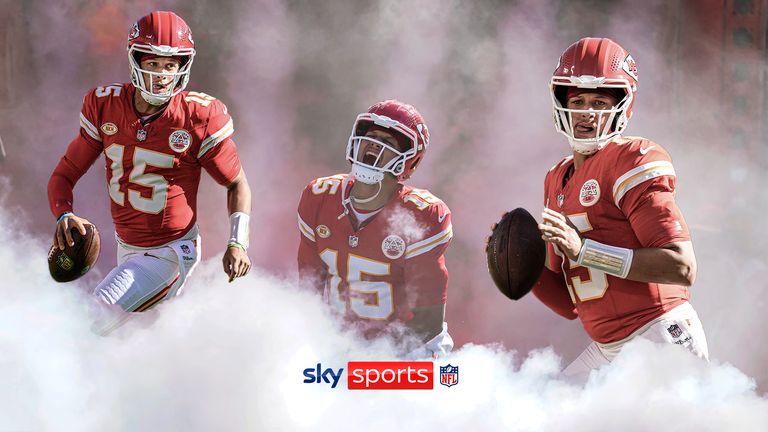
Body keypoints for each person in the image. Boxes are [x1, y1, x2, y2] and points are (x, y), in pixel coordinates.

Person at [47, 11, 251, 333]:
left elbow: (236, 183)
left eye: (170, 65)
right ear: (135, 61)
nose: (161, 75)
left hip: (170, 252)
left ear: (182, 66)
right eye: (153, 63)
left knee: (94, 315)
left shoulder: (197, 117)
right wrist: (63, 214)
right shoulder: (106, 106)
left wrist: (238, 242)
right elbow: (64, 174)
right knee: (119, 338)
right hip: (127, 246)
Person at [534, 37, 708, 378]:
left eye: (599, 101)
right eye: (578, 100)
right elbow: (570, 305)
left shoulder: (634, 159)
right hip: (608, 347)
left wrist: (584, 251)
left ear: (622, 107)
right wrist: (521, 269)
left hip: (659, 334)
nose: (586, 112)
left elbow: (681, 267)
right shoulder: (556, 178)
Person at [297, 100, 453, 358]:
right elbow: (308, 290)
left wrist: (365, 367)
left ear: (409, 162)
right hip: (341, 347)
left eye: (388, 143)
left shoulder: (423, 214)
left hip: (412, 351)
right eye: (371, 136)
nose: (374, 145)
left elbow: (427, 324)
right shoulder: (319, 196)